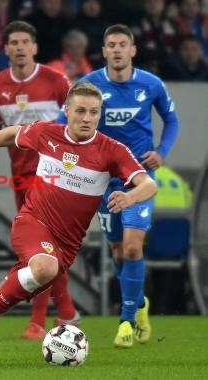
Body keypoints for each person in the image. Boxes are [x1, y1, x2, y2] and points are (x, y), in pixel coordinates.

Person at [0, 81, 158, 361]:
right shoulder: (47, 133)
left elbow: (148, 184)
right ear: (66, 111)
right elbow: (12, 133)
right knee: (43, 268)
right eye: (80, 111)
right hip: (33, 223)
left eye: (94, 112)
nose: (87, 118)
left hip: (65, 248)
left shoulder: (111, 150)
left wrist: (131, 197)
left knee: (0, 296)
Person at [57, 24, 180, 348]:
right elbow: (62, 123)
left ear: (133, 49)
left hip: (138, 177)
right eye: (111, 44)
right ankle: (139, 304)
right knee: (116, 250)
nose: (117, 50)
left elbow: (172, 120)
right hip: (101, 179)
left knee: (132, 247)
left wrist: (162, 152)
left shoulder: (151, 84)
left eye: (122, 44)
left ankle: (125, 322)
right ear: (104, 49)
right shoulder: (90, 85)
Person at [0, 20, 78, 340]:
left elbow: (79, 123)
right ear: (5, 48)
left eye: (25, 42)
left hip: (54, 176)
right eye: (14, 42)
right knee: (41, 251)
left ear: (35, 47)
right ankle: (67, 313)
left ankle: (38, 321)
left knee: (41, 249)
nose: (19, 47)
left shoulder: (56, 81)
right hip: (20, 175)